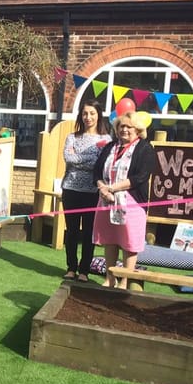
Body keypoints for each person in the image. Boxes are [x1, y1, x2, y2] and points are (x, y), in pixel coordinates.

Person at [92, 111, 157, 289]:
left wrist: (112, 188)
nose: (124, 129)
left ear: (138, 129)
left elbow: (141, 177)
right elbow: (97, 171)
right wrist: (103, 188)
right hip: (106, 200)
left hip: (132, 202)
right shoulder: (110, 147)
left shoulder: (145, 148)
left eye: (129, 126)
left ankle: (125, 280)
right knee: (110, 240)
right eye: (121, 126)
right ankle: (110, 278)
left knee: (129, 242)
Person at [61, 100, 112, 283]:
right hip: (70, 189)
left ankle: (84, 271)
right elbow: (68, 158)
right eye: (85, 113)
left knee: (90, 232)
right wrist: (90, 157)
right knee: (72, 231)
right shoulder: (72, 137)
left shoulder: (106, 140)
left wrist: (79, 158)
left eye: (92, 113)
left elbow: (100, 164)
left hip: (92, 192)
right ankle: (71, 268)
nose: (88, 117)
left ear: (98, 115)